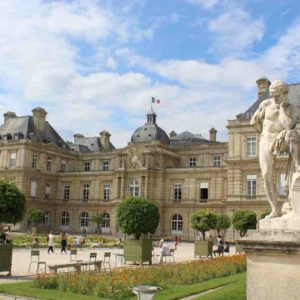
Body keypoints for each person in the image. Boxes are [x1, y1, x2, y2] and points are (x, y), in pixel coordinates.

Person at [250, 80, 300, 218]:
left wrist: (283, 109)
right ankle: (275, 209)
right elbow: (253, 121)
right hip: (266, 139)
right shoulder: (266, 104)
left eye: (276, 95)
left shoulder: (291, 108)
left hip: (282, 136)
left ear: (285, 93)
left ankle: (299, 165)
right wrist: (264, 134)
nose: (274, 98)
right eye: (272, 95)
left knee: (292, 133)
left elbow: (289, 126)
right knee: (266, 175)